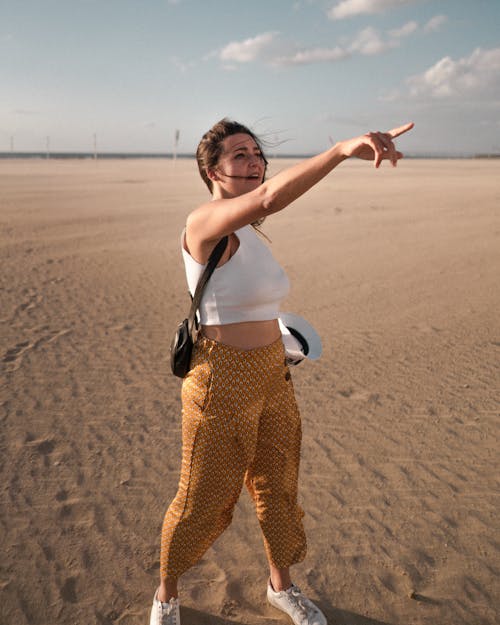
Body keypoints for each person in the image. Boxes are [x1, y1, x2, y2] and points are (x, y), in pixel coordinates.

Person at [150, 118, 414, 625]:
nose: (253, 161)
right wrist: (339, 150)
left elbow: (252, 300)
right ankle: (166, 594)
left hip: (273, 375)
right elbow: (271, 197)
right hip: (220, 380)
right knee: (201, 497)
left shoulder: (249, 233)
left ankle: (280, 586)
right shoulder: (203, 222)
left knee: (278, 485)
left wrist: (283, 343)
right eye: (239, 155)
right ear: (212, 170)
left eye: (257, 153)